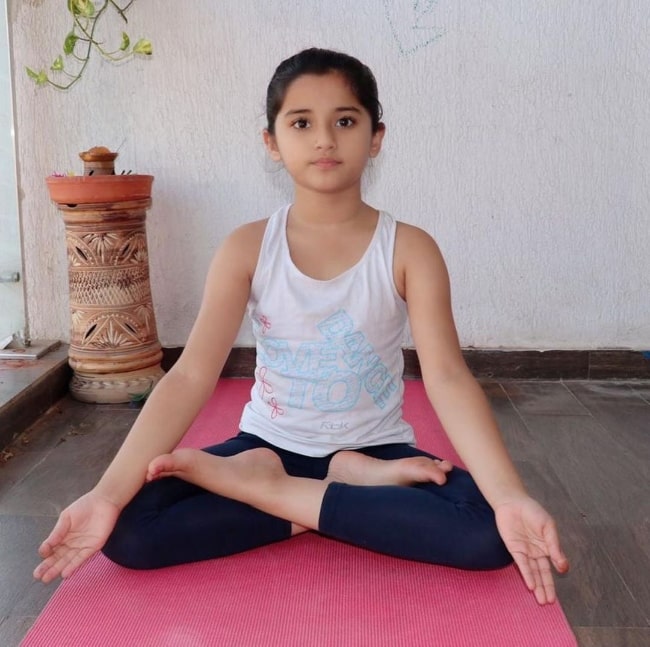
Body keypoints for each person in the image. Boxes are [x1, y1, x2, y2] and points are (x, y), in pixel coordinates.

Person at [34, 47, 569, 605]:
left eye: (344, 120)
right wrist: (103, 494)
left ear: (376, 136)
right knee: (127, 528)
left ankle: (282, 493)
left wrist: (509, 497)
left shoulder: (410, 249)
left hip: (376, 451)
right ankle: (323, 492)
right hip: (266, 445)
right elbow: (191, 375)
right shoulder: (247, 247)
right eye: (301, 123)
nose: (324, 139)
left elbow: (449, 379)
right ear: (271, 142)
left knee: (488, 530)